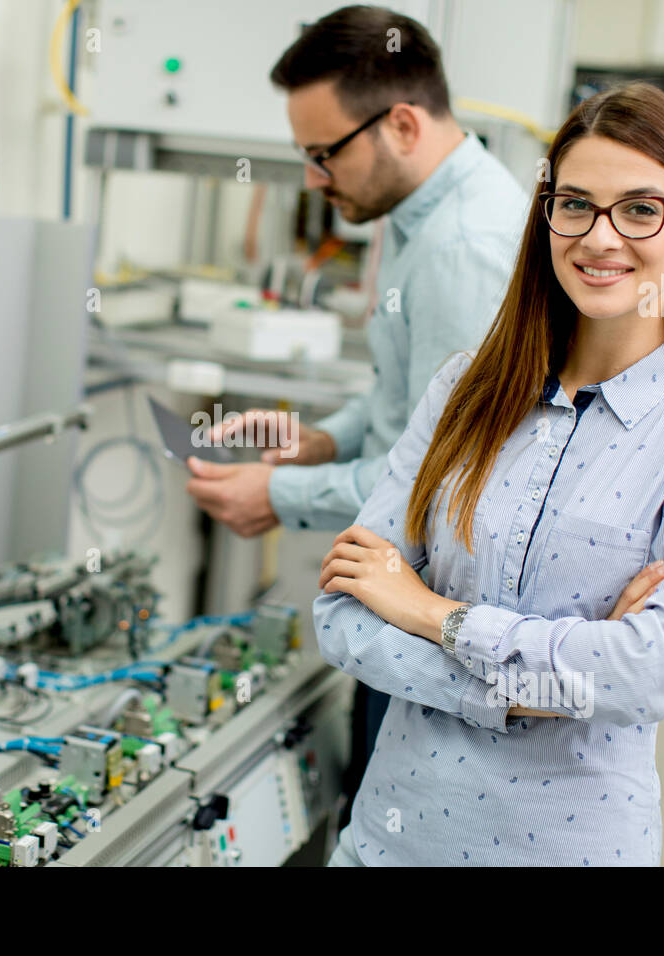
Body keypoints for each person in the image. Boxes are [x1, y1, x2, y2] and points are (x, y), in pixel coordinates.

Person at [314, 81, 664, 865]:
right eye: (575, 205)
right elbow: (344, 618)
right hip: (385, 844)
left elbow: (651, 670)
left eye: (639, 209)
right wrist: (550, 682)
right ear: (547, 213)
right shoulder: (465, 387)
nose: (599, 238)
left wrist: (431, 613)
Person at [181, 4, 526, 827]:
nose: (311, 178)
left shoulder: (460, 249)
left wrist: (279, 498)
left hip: (435, 626)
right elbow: (412, 402)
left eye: (322, 154)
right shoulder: (422, 222)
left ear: (402, 124)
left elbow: (444, 478)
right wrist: (318, 441)